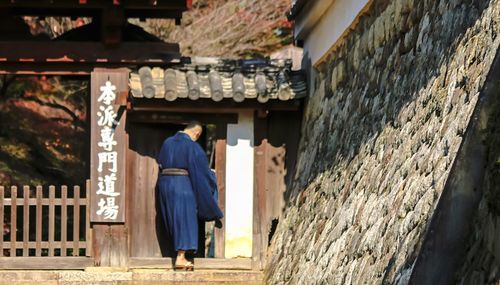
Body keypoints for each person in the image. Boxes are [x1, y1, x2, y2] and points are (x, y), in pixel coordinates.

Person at [157, 121, 223, 271]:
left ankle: (178, 254)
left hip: (165, 183)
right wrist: (211, 178)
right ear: (197, 134)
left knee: (172, 218)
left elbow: (160, 162)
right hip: (182, 185)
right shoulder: (192, 146)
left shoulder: (167, 143)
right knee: (185, 218)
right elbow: (201, 171)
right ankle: (181, 258)